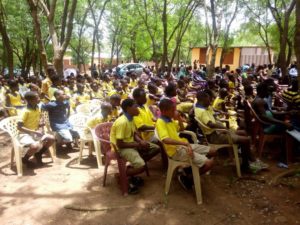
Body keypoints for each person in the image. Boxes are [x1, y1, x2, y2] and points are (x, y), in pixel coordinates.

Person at [195, 91, 268, 172]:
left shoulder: (202, 107)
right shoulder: (202, 111)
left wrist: (218, 115)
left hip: (218, 132)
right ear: (203, 100)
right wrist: (225, 129)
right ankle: (249, 164)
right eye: (209, 100)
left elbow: (212, 113)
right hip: (214, 136)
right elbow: (210, 124)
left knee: (243, 133)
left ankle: (248, 160)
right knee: (246, 140)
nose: (210, 101)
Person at [156, 98, 216, 189]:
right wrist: (184, 144)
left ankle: (188, 170)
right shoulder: (160, 122)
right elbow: (166, 140)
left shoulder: (169, 120)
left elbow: (181, 129)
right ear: (164, 111)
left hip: (183, 146)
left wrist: (179, 118)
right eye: (173, 110)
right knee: (209, 163)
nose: (175, 111)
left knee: (213, 151)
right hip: (176, 151)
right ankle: (188, 179)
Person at [110, 99, 160, 194]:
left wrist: (141, 141)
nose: (138, 109)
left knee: (155, 148)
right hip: (121, 148)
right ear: (128, 108)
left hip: (130, 144)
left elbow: (133, 134)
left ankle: (134, 165)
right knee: (141, 166)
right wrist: (138, 144)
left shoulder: (131, 119)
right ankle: (121, 175)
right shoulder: (122, 122)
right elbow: (119, 144)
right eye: (135, 107)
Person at [17, 91, 55, 168]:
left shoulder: (37, 107)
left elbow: (39, 118)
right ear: (30, 101)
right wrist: (34, 131)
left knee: (52, 138)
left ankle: (39, 154)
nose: (39, 99)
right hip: (24, 134)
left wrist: (41, 125)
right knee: (34, 146)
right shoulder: (25, 111)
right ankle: (25, 159)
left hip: (35, 132)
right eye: (37, 98)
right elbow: (19, 127)